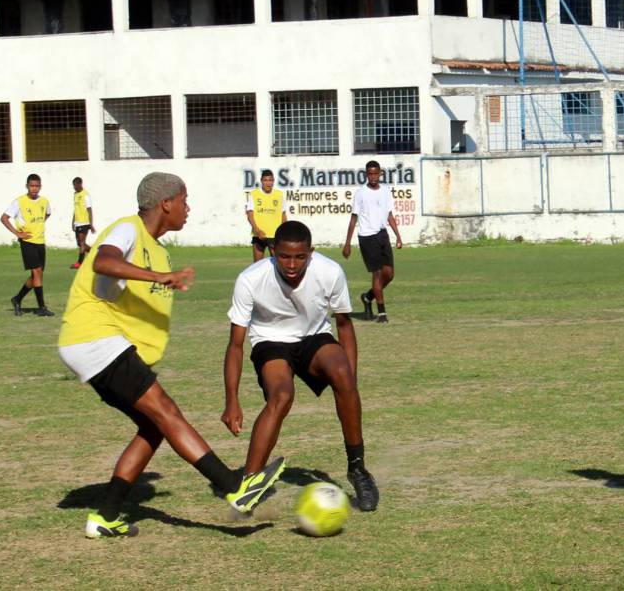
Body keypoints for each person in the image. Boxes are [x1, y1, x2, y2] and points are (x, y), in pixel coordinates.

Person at [58, 172, 285, 538]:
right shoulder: (127, 229)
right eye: (184, 199)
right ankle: (234, 486)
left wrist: (162, 277)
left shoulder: (158, 249)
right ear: (166, 203)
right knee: (167, 411)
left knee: (153, 426)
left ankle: (106, 516)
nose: (188, 208)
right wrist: (157, 277)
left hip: (98, 345)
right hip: (93, 338)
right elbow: (103, 261)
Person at [222, 220, 379, 511]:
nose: (292, 264)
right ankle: (248, 484)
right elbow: (235, 344)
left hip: (314, 337)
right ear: (272, 251)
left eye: (300, 257)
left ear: (311, 252)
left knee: (343, 373)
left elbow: (343, 325)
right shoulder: (251, 279)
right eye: (284, 256)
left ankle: (357, 469)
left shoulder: (329, 271)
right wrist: (232, 400)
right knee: (282, 395)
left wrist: (350, 384)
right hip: (270, 341)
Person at [342, 161, 403, 323]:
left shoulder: (386, 191)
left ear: (380, 173)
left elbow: (389, 215)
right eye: (370, 174)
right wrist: (347, 243)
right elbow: (353, 218)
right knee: (376, 273)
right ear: (366, 174)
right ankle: (382, 313)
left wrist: (398, 235)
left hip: (382, 235)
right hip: (367, 237)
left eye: (376, 173)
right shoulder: (361, 193)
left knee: (389, 275)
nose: (373, 177)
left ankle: (368, 297)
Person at [2, 174, 54, 317]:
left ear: (40, 187)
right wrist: (18, 233)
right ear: (27, 186)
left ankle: (17, 299)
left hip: (40, 241)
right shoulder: (19, 202)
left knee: (36, 276)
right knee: (37, 273)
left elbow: (47, 214)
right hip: (28, 242)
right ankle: (42, 307)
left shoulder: (44, 201)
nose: (34, 189)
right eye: (32, 186)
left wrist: (38, 226)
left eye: (37, 186)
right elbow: (4, 218)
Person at [246, 169, 286, 262]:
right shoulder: (254, 194)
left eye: (270, 180)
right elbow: (249, 214)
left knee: (278, 264)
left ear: (273, 181)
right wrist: (257, 230)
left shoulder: (279, 194)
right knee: (257, 265)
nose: (268, 183)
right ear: (261, 181)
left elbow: (283, 215)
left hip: (275, 235)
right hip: (259, 235)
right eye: (265, 180)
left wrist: (283, 232)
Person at [71, 176, 95, 269]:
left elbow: (89, 210)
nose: (75, 187)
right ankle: (95, 253)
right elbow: (75, 209)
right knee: (80, 244)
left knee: (81, 243)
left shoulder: (85, 195)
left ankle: (79, 263)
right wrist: (73, 221)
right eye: (73, 185)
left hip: (84, 222)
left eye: (76, 185)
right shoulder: (75, 195)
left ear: (80, 184)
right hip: (77, 222)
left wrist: (91, 224)